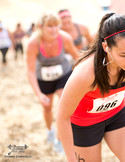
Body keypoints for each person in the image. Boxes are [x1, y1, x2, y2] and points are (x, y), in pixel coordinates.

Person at [56, 13, 125, 162]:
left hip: (117, 114)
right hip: (84, 123)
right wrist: (71, 158)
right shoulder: (85, 74)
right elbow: (62, 116)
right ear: (106, 47)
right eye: (123, 54)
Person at [26, 13, 78, 152]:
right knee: (47, 107)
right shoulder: (33, 43)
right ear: (40, 27)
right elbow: (30, 71)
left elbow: (78, 58)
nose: (54, 29)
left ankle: (59, 140)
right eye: (50, 26)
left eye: (56, 25)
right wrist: (38, 94)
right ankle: (49, 131)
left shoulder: (65, 38)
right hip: (43, 78)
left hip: (63, 75)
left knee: (63, 107)